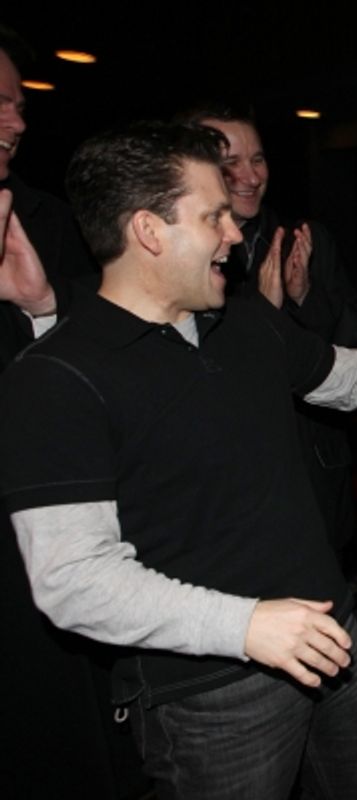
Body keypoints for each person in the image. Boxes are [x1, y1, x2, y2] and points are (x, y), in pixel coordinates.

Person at [0, 120, 357, 799]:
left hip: (333, 636)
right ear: (149, 231)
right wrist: (246, 625)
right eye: (214, 215)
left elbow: (335, 371)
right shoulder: (55, 377)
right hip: (210, 696)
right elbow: (72, 580)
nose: (233, 232)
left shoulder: (239, 316)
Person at [0, 27, 122, 798]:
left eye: (17, 105)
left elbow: (99, 368)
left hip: (33, 560)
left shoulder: (44, 220)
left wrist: (44, 307)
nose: (16, 122)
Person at [184, 104, 357, 555]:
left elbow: (356, 343)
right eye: (230, 162)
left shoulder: (305, 238)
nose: (250, 175)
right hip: (230, 479)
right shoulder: (178, 252)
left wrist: (304, 297)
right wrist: (265, 311)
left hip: (311, 466)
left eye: (258, 159)